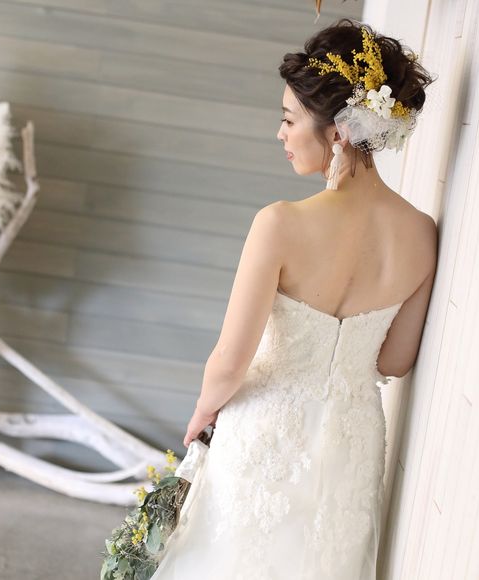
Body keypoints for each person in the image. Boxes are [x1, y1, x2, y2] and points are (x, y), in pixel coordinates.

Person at [151, 18, 438, 580]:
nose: (280, 134)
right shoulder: (422, 234)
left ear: (339, 131)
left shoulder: (279, 223)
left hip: (265, 433)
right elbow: (394, 360)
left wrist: (203, 412)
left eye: (289, 119)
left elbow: (229, 362)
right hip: (351, 451)